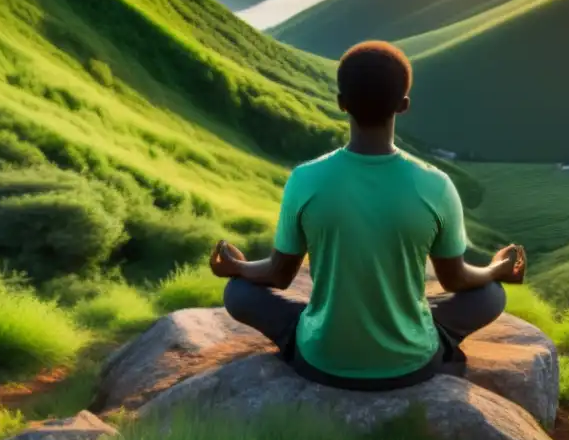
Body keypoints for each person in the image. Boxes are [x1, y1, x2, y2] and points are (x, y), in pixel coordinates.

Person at [210, 40, 527, 391]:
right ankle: (424, 344)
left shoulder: (305, 179)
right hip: (411, 365)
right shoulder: (436, 185)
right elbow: (456, 280)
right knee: (492, 295)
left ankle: (314, 338)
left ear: (341, 103)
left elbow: (278, 274)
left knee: (238, 293)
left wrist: (236, 268)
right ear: (403, 105)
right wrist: (497, 269)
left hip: (320, 361)